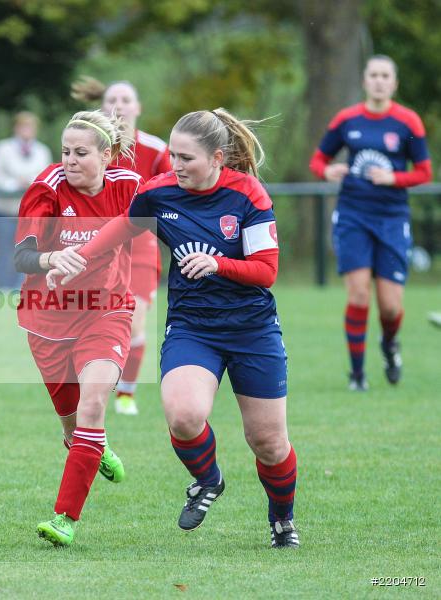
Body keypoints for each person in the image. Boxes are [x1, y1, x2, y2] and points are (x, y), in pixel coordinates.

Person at [48, 108, 300, 549]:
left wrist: (217, 263)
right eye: (173, 156)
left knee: (268, 442)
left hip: (252, 330)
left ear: (217, 158)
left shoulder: (249, 195)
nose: (175, 166)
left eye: (186, 158)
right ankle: (209, 479)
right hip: (192, 326)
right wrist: (73, 262)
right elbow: (119, 229)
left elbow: (266, 270)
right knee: (183, 416)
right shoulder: (160, 192)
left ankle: (282, 520)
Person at [13, 110, 140, 547]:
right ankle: (91, 445)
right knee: (73, 430)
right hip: (47, 322)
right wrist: (51, 259)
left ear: (106, 155)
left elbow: (174, 203)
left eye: (81, 153)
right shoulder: (45, 189)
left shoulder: (127, 184)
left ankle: (64, 518)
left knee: (92, 408)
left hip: (107, 311)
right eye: (65, 151)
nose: (70, 159)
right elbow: (21, 257)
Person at [309, 55, 432, 391]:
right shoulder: (347, 120)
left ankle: (390, 345)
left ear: (394, 83)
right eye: (373, 75)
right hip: (352, 216)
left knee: (391, 306)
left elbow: (424, 172)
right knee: (360, 295)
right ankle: (357, 375)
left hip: (392, 218)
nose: (379, 81)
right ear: (365, 81)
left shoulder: (408, 122)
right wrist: (327, 171)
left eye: (385, 76)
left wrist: (394, 177)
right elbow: (318, 160)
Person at [73, 76, 172, 416]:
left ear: (138, 107)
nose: (119, 104)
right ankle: (93, 388)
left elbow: (173, 193)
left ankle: (126, 392)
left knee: (133, 321)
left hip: (140, 243)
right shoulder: (90, 149)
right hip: (97, 243)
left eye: (127, 99)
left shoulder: (157, 150)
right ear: (102, 107)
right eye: (112, 98)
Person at [0, 111, 52, 289]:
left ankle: (21, 289)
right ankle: (2, 288)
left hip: (30, 212)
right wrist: (12, 183)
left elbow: (46, 176)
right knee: (4, 251)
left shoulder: (42, 151)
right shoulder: (3, 148)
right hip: (4, 210)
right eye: (23, 126)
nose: (27, 130)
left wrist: (29, 182)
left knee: (27, 251)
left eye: (30, 126)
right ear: (16, 128)